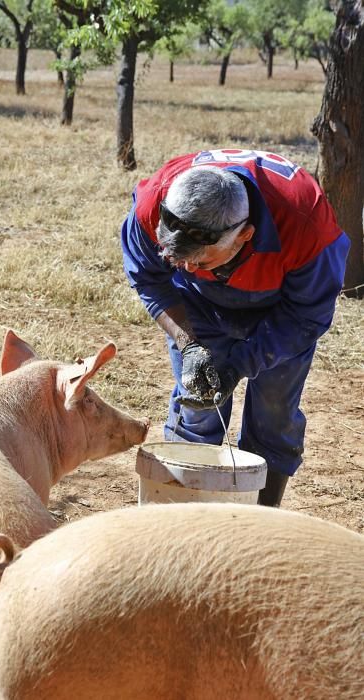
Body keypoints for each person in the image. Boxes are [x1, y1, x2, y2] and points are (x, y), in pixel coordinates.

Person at [121, 148, 350, 507]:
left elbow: (307, 316)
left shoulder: (306, 225)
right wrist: (188, 343)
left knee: (273, 416)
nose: (188, 268)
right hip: (197, 310)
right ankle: (177, 526)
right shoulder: (154, 203)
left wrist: (241, 363)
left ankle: (260, 523)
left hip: (281, 315)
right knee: (196, 411)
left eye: (200, 261)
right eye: (177, 260)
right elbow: (148, 278)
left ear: (245, 235)